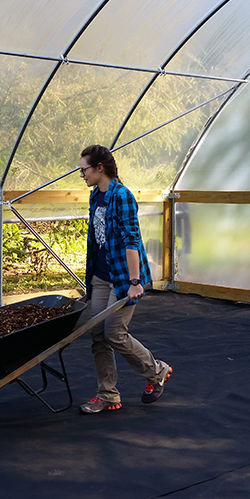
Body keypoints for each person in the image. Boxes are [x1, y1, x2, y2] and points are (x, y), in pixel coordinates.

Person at [78, 144, 171, 414]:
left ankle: (158, 371)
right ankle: (107, 395)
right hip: (100, 276)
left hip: (122, 277)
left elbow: (132, 240)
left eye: (84, 170)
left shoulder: (122, 196)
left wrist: (134, 281)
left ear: (99, 168)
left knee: (115, 333)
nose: (81, 174)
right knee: (98, 335)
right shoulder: (96, 195)